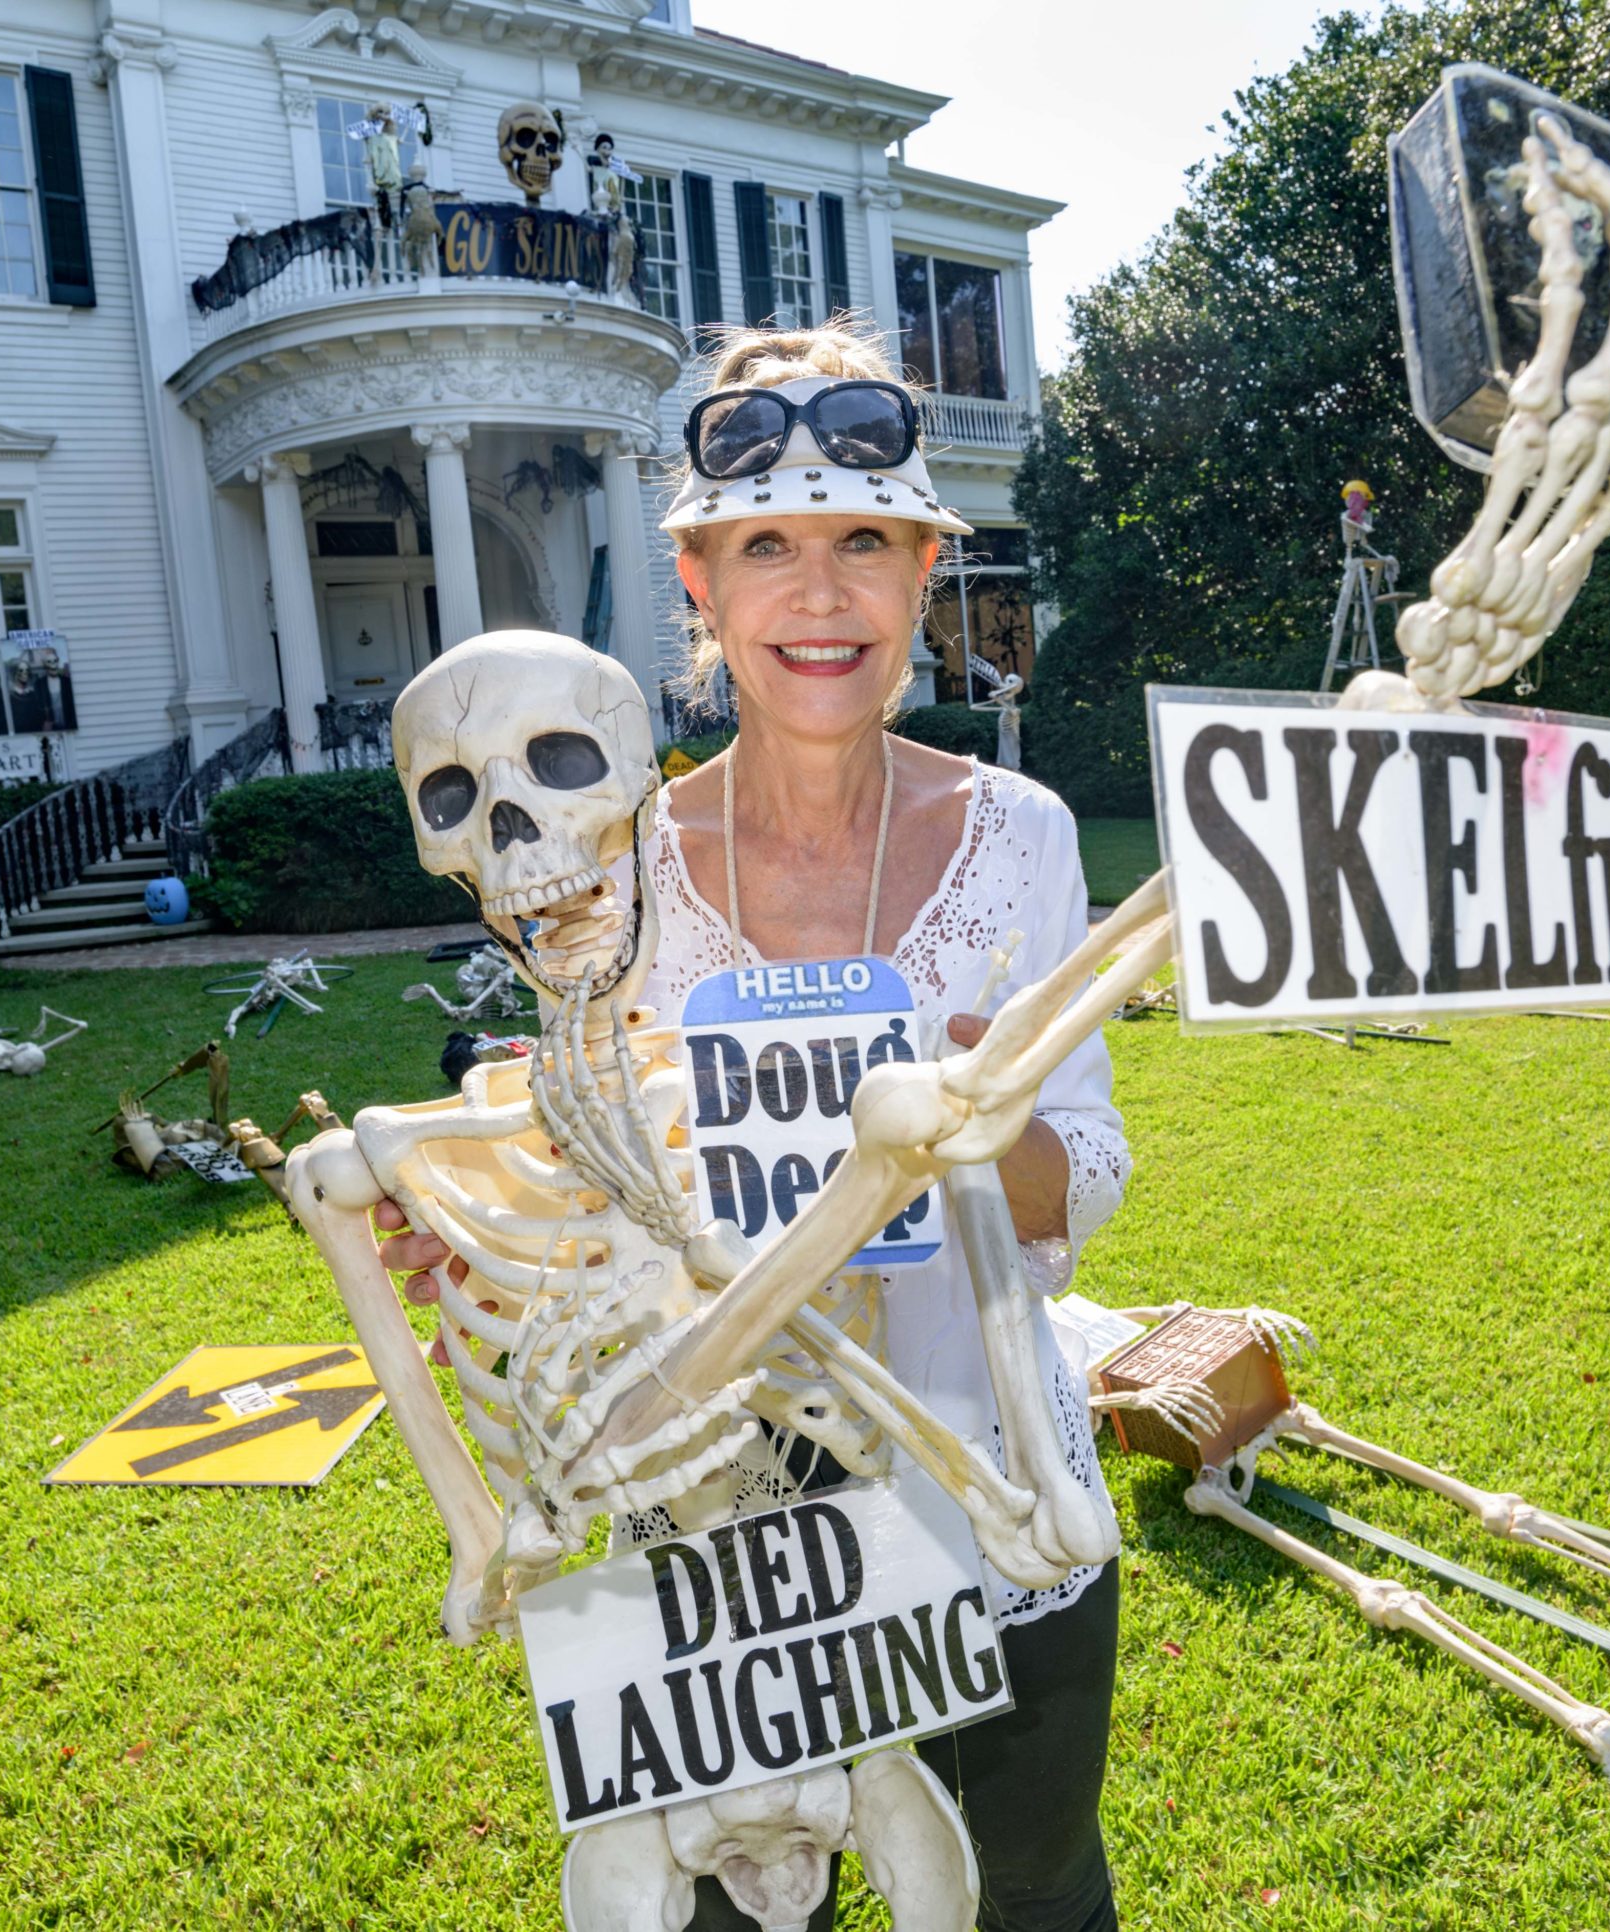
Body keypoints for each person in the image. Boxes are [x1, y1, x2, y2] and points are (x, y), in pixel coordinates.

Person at [379, 319, 1131, 1932]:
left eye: (864, 543)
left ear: (925, 570)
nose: (820, 594)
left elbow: (1087, 1170)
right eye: (767, 548)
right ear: (701, 587)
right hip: (710, 1541)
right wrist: (470, 1222)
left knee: (1031, 1892)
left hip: (994, 1481)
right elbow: (586, 1168)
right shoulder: (604, 851)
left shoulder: (1022, 836)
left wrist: (982, 1128)